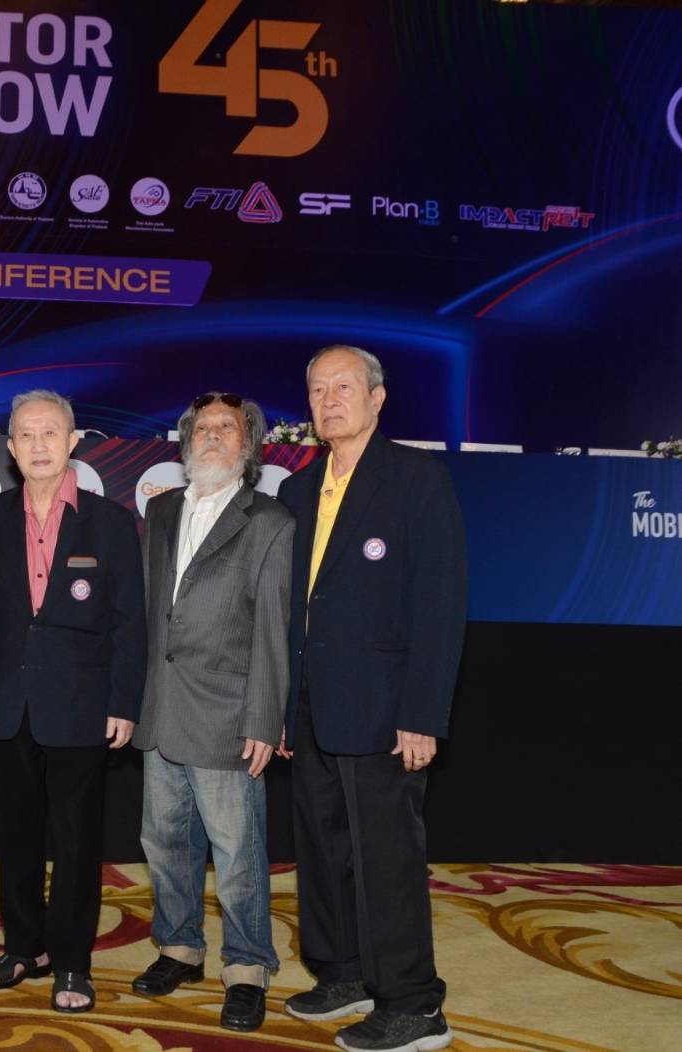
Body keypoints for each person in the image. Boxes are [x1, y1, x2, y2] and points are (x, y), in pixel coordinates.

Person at [280, 346, 467, 1052]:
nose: (329, 400)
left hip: (386, 710)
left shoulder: (416, 478)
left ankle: (414, 1005)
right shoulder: (298, 490)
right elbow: (292, 611)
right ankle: (344, 974)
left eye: (344, 387)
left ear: (378, 398)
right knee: (322, 849)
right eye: (317, 389)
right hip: (312, 708)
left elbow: (440, 605)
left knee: (386, 860)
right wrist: (284, 708)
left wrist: (422, 713)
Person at [0, 390, 145, 1013]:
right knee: (15, 836)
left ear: (72, 442)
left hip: (81, 706)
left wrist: (123, 702)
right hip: (6, 702)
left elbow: (129, 622)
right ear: (10, 448)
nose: (38, 445)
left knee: (75, 843)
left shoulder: (110, 521)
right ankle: (23, 948)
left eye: (50, 433)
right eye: (26, 435)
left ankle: (71, 962)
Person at [130, 392, 293, 1033]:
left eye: (228, 427)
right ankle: (180, 948)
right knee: (164, 841)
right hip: (161, 708)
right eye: (203, 427)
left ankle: (247, 967)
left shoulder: (270, 520)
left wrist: (265, 718)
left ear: (248, 446)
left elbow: (274, 629)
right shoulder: (161, 509)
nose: (214, 436)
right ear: (185, 441)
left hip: (229, 714)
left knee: (237, 852)